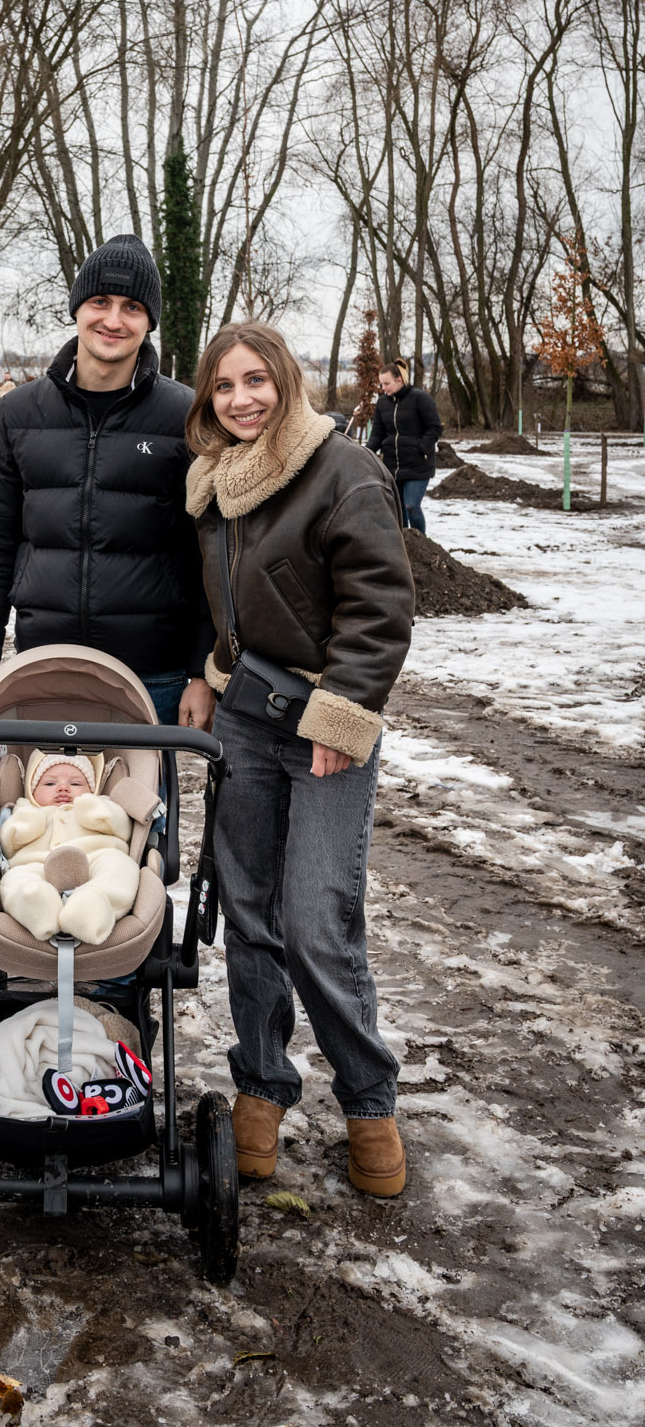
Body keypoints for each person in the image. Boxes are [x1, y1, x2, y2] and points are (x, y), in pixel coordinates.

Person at [0, 232, 214, 1016]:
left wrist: (201, 669)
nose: (112, 319)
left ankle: (117, 990)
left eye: (130, 307)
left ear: (149, 322)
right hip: (41, 669)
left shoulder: (180, 418)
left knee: (129, 833)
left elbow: (208, 552)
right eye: (99, 302)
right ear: (76, 310)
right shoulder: (20, 414)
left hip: (149, 676)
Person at [184, 320, 414, 1198]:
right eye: (223, 385)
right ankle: (261, 1088)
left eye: (256, 380)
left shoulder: (342, 470)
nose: (241, 399)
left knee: (317, 921)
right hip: (244, 720)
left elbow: (379, 608)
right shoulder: (212, 482)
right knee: (249, 915)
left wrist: (340, 714)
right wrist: (208, 671)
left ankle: (367, 1101)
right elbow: (222, 602)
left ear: (286, 381)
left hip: (324, 726)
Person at [0, 751, 139, 946]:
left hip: (94, 858)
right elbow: (8, 844)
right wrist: (30, 821)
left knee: (120, 866)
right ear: (31, 790)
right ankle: (37, 905)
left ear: (92, 789)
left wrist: (92, 807)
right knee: (14, 879)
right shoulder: (26, 809)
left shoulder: (101, 803)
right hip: (37, 864)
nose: (63, 788)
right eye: (50, 784)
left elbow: (123, 828)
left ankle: (91, 908)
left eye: (76, 784)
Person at [369, 357, 441, 534]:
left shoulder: (420, 398)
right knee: (398, 512)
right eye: (381, 384)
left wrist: (422, 448)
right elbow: (377, 434)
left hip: (418, 465)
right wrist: (364, 452)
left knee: (411, 506)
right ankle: (403, 545)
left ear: (399, 380)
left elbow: (434, 428)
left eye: (386, 383)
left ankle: (420, 542)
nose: (383, 388)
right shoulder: (382, 403)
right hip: (392, 466)